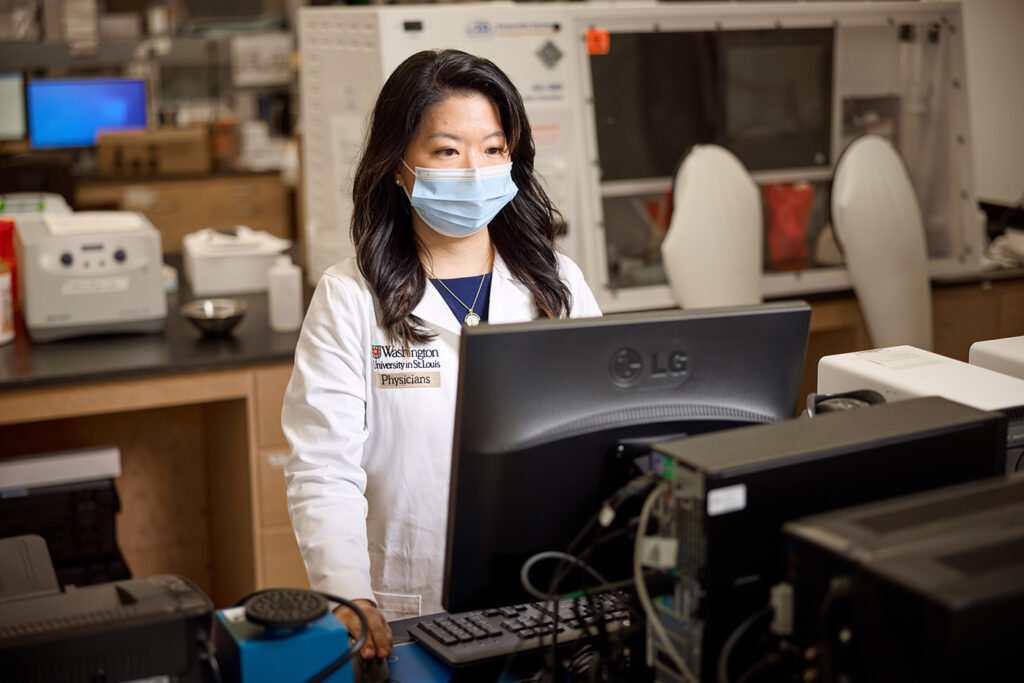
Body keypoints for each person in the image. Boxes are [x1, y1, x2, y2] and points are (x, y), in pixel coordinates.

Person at [281, 49, 602, 661]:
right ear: (399, 165)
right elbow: (323, 468)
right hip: (409, 607)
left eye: (493, 149)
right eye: (447, 150)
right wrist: (350, 596)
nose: (474, 169)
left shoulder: (557, 284)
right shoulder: (350, 298)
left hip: (546, 595)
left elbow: (599, 435)